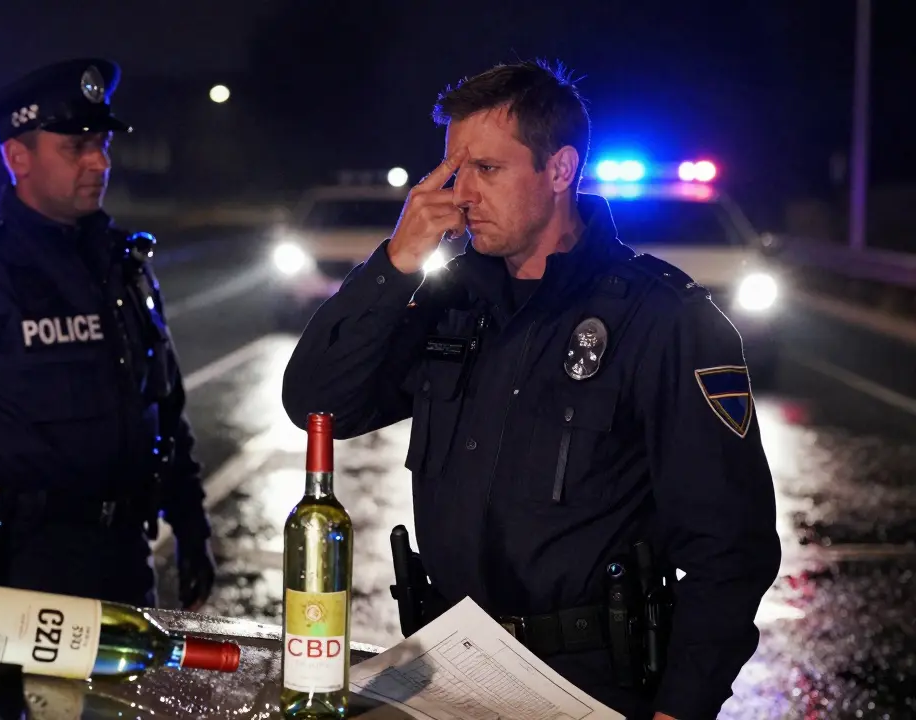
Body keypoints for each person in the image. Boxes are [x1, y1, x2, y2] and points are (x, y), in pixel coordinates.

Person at [281, 59, 780, 719]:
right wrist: (396, 263)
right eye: (454, 173)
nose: (462, 195)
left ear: (560, 170)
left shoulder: (661, 318)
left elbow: (731, 547)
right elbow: (319, 404)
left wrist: (681, 707)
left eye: (487, 170)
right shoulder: (450, 301)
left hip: (586, 682)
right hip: (445, 666)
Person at [0, 58, 215, 610]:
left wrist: (191, 523)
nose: (99, 162)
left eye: (102, 143)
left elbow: (164, 409)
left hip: (125, 561)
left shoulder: (123, 267)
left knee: (120, 701)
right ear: (17, 157)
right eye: (76, 148)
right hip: (18, 568)